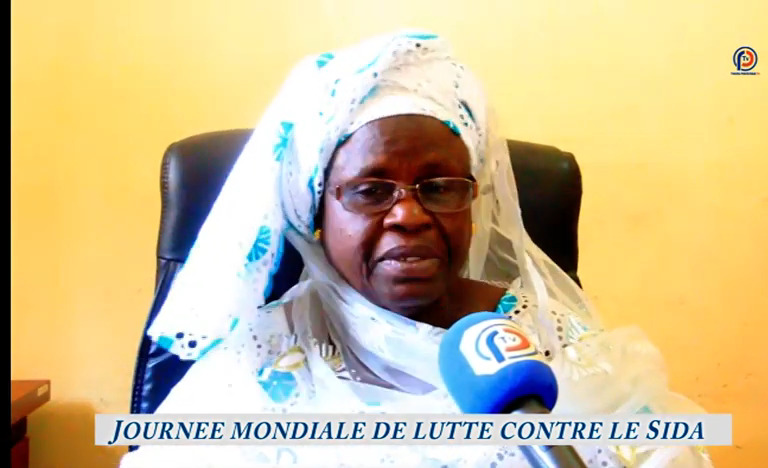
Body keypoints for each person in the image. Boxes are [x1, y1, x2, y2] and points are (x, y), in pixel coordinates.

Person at [120, 30, 714, 467]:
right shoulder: (262, 359)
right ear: (317, 212)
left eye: (439, 186)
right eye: (371, 190)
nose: (408, 214)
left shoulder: (547, 340)